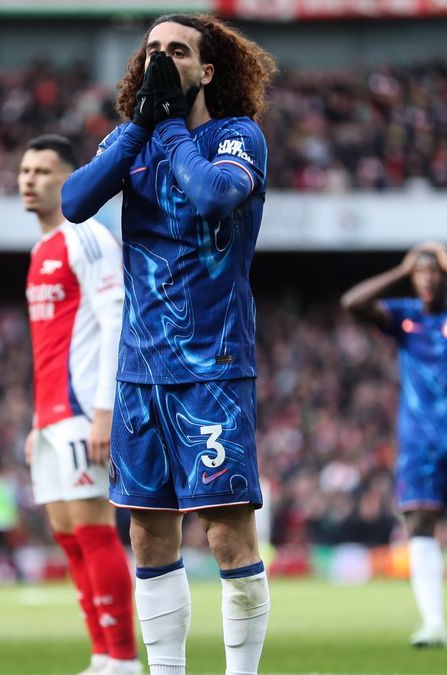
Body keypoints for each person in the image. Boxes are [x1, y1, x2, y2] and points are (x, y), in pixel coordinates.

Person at [61, 14, 277, 675]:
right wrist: (138, 127)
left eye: (176, 51)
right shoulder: (132, 141)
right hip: (138, 371)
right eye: (151, 49)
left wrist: (168, 127)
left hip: (212, 364)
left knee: (224, 530)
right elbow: (74, 200)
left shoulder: (236, 137)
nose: (160, 59)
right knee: (149, 530)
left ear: (204, 71)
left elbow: (214, 196)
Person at [341, 241, 447, 650]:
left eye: (436, 273)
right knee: (418, 523)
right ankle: (433, 623)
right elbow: (351, 301)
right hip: (418, 442)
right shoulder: (403, 316)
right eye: (423, 273)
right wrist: (402, 269)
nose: (428, 279)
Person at [19, 134, 138, 675]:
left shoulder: (84, 234)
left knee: (93, 531)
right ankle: (99, 653)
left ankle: (122, 658)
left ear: (68, 180)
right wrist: (35, 419)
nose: (29, 179)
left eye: (44, 171)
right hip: (51, 416)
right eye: (25, 170)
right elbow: (50, 346)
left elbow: (115, 319)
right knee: (69, 537)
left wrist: (104, 411)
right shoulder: (41, 249)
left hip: (83, 410)